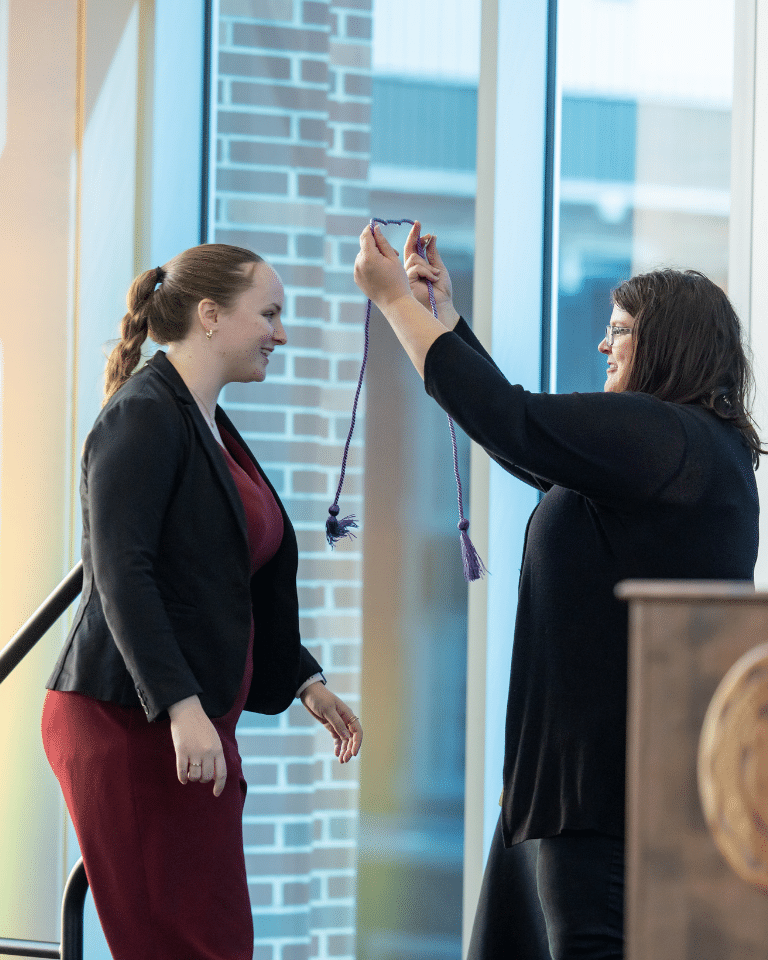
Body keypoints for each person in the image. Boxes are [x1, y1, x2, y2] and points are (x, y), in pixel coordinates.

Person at [353, 221, 762, 960]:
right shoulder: (672, 455)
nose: (604, 346)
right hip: (559, 798)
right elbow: (527, 441)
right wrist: (445, 320)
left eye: (622, 331)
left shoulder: (672, 440)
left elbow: (517, 420)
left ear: (669, 345)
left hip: (603, 805)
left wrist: (395, 306)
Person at [42, 244, 363, 960]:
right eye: (270, 314)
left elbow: (231, 574)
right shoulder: (143, 416)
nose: (281, 333)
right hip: (132, 722)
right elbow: (121, 571)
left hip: (188, 721)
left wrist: (304, 680)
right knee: (187, 945)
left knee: (213, 940)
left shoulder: (208, 425)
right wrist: (181, 707)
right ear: (210, 316)